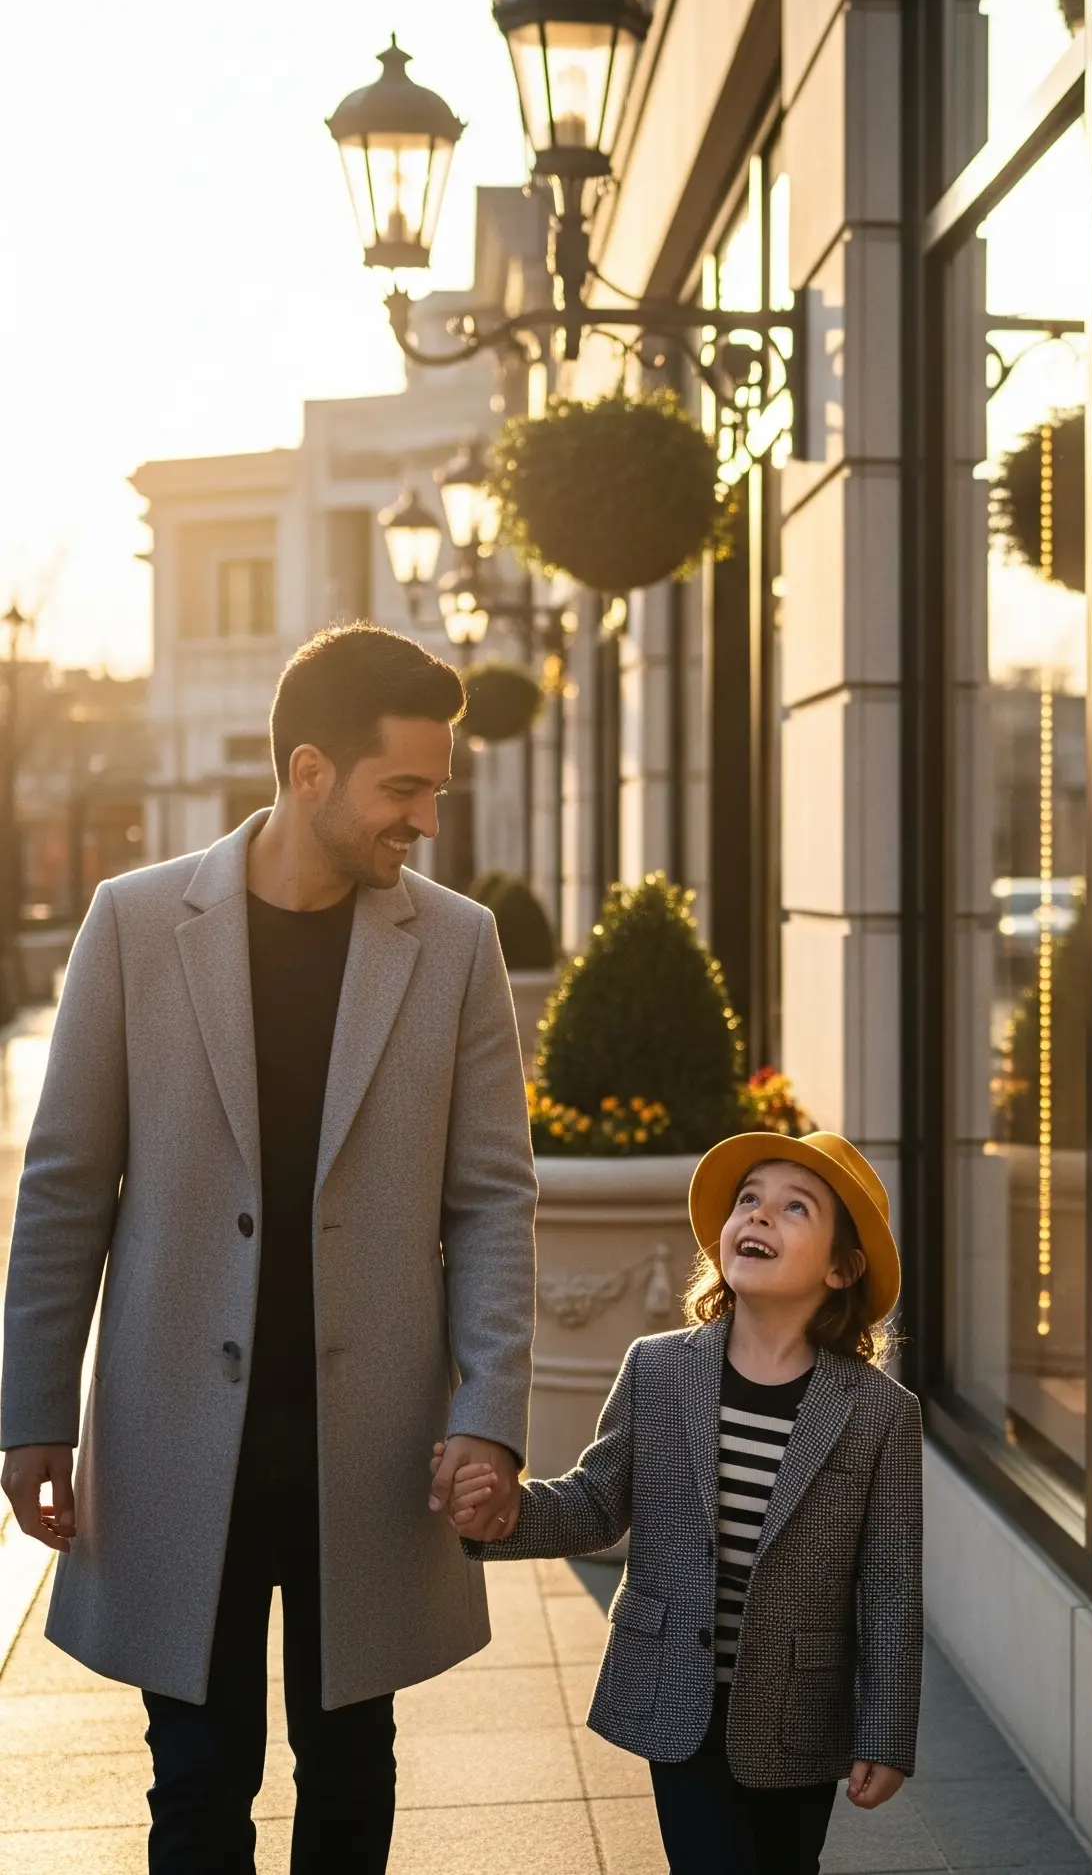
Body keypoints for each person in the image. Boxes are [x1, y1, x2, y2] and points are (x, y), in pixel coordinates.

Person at [0, 625, 536, 1873]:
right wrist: (32, 1414)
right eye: (404, 790)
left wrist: (491, 1412)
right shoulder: (133, 925)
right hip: (179, 1431)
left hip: (377, 1440)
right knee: (196, 1781)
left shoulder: (455, 945)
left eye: (436, 792)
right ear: (309, 772)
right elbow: (66, 1185)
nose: (426, 822)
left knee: (352, 1777)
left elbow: (494, 1199)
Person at [447, 1127, 922, 1875]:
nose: (759, 1216)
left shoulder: (879, 1413)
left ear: (841, 1267)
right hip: (678, 1693)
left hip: (797, 1715)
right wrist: (503, 1514)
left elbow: (890, 1584)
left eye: (794, 1208)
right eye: (748, 1200)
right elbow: (597, 1502)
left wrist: (887, 1731)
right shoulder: (660, 1370)